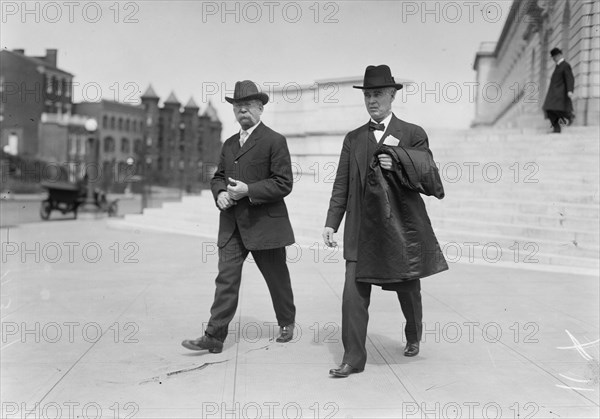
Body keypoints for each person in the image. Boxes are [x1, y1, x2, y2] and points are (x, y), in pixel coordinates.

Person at [323, 65, 448, 378]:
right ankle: (353, 358)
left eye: (378, 94)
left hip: (398, 229)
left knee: (408, 288)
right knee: (352, 296)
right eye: (367, 94)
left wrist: (398, 161)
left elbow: (428, 177)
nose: (372, 100)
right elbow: (342, 183)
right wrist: (331, 222)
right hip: (360, 231)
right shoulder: (353, 139)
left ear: (393, 95)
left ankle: (413, 332)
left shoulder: (413, 133)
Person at [182, 80, 296, 353]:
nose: (242, 111)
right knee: (226, 279)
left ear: (260, 108)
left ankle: (286, 322)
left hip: (264, 226)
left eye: (247, 106)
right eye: (237, 106)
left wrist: (249, 190)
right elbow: (219, 176)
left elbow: (284, 183)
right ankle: (214, 336)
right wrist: (219, 192)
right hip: (233, 225)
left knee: (276, 278)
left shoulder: (274, 140)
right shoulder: (229, 143)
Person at [542, 47, 575, 133]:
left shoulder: (565, 65)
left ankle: (569, 116)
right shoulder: (558, 66)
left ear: (559, 55)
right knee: (548, 109)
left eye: (554, 57)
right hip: (554, 93)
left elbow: (570, 78)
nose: (554, 59)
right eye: (553, 58)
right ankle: (557, 128)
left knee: (555, 109)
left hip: (560, 93)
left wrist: (570, 90)